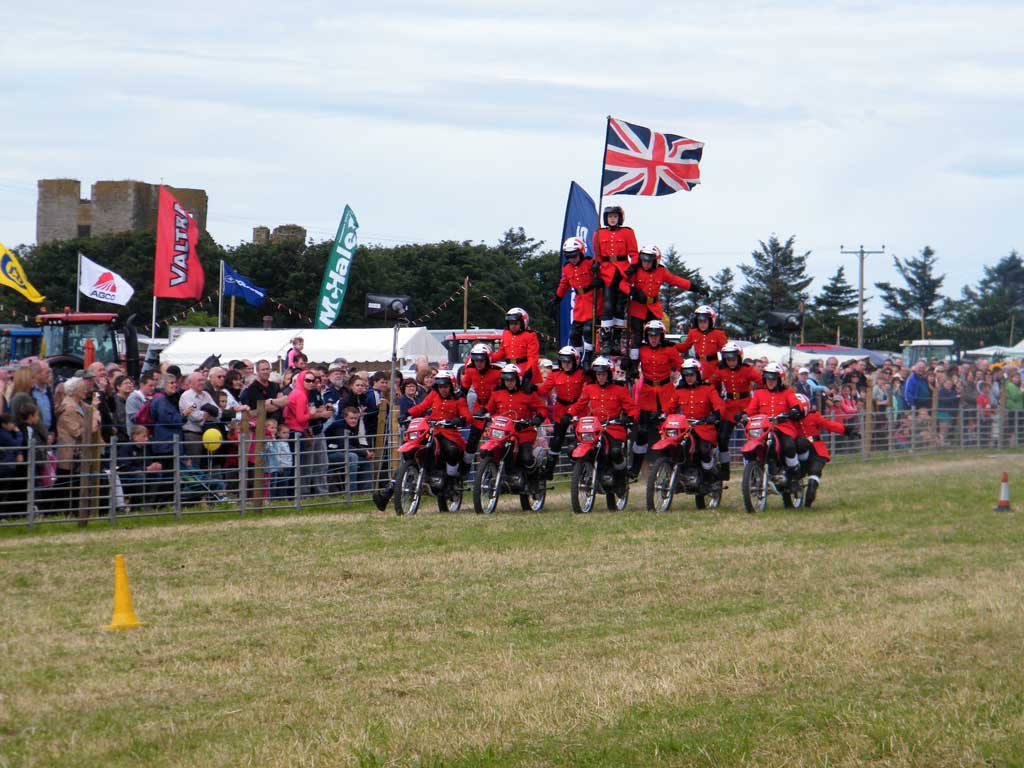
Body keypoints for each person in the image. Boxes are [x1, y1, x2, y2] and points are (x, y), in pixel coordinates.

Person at [623, 244, 703, 371]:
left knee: (657, 336)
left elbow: (676, 280)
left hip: (653, 308)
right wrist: (633, 291)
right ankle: (633, 364)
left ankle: (661, 361)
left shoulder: (661, 271)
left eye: (649, 261)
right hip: (637, 308)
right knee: (637, 337)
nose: (646, 264)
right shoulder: (635, 270)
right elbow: (622, 283)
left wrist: (695, 288)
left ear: (655, 261)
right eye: (643, 260)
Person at [567, 356, 638, 488]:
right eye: (598, 374)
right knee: (572, 448)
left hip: (613, 428)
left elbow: (632, 407)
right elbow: (580, 404)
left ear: (609, 374)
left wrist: (630, 417)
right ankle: (583, 473)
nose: (600, 377)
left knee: (615, 452)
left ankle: (621, 481)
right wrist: (569, 413)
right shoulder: (589, 388)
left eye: (603, 374)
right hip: (594, 427)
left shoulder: (620, 389)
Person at [740, 362, 803, 494]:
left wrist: (794, 411)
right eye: (768, 378)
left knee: (789, 446)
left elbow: (796, 405)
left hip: (782, 427)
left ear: (779, 379)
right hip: (763, 428)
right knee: (750, 447)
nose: (770, 381)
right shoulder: (758, 393)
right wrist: (743, 415)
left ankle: (794, 477)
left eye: (773, 378)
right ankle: (753, 474)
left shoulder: (787, 392)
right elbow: (751, 409)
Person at [632, 319, 682, 479]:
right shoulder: (641, 349)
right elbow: (632, 362)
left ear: (662, 336)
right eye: (651, 335)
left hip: (666, 393)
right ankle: (635, 468)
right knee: (641, 432)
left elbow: (682, 366)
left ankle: (673, 466)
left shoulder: (669, 349)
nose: (653, 338)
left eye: (657, 335)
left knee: (671, 431)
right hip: (647, 394)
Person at [406, 370, 472, 489]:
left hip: (449, 433)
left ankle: (450, 482)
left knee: (452, 451)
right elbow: (422, 407)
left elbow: (467, 417)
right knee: (419, 446)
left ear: (451, 386)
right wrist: (407, 413)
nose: (443, 390)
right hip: (432, 430)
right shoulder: (433, 394)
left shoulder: (459, 399)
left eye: (446, 386)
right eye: (440, 387)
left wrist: (458, 421)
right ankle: (422, 473)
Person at [706, 341, 762, 480]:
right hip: (729, 405)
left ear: (739, 358)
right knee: (722, 438)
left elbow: (763, 381)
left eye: (733, 359)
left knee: (753, 436)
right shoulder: (721, 370)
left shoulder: (747, 369)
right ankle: (725, 468)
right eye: (728, 359)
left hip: (746, 405)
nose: (731, 362)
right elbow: (710, 384)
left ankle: (754, 467)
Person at [481, 364, 548, 474]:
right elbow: (490, 408)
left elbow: (542, 409)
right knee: (487, 452)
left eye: (512, 380)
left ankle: (534, 478)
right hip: (502, 432)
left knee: (526, 457)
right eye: (506, 380)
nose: (509, 382)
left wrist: (536, 420)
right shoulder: (497, 393)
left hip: (523, 432)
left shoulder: (527, 394)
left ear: (517, 379)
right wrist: (482, 412)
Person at [793, 393, 857, 506]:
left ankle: (811, 489)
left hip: (815, 449)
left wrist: (847, 430)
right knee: (802, 469)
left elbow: (829, 425)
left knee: (815, 470)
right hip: (797, 449)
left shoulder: (813, 416)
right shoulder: (789, 419)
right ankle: (801, 485)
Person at [668, 359, 724, 483]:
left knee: (704, 450)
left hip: (704, 427)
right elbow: (670, 408)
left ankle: (709, 477)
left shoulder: (708, 389)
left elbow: (719, 405)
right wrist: (662, 414)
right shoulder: (679, 391)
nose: (689, 378)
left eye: (691, 374)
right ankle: (678, 473)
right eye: (686, 375)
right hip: (685, 428)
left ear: (698, 374)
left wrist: (715, 415)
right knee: (675, 447)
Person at [592, 205, 638, 355]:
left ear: (619, 218)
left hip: (622, 271)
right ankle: (606, 340)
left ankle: (617, 340)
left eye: (615, 216)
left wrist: (633, 266)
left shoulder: (627, 232)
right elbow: (597, 256)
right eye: (610, 216)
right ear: (606, 219)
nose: (612, 219)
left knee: (620, 308)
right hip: (606, 273)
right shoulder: (599, 233)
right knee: (607, 306)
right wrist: (596, 266)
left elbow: (634, 253)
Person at [54, 377, 102, 518]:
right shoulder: (69, 409)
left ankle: (79, 513)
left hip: (83, 453)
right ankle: (64, 513)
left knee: (79, 485)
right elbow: (80, 432)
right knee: (68, 486)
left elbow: (94, 413)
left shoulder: (82, 405)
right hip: (71, 454)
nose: (86, 390)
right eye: (83, 388)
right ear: (74, 391)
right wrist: (94, 421)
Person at [537, 346, 586, 479]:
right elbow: (544, 390)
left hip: (578, 408)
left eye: (569, 362)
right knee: (556, 441)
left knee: (580, 439)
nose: (566, 364)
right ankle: (549, 469)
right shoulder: (555, 374)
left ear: (575, 361)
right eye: (563, 362)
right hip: (561, 408)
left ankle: (581, 467)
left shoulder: (581, 373)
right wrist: (532, 388)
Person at [551, 236, 602, 364]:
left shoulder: (590, 263)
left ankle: (589, 355)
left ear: (581, 253)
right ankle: (578, 357)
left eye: (574, 256)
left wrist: (598, 276)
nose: (572, 259)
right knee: (574, 334)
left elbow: (603, 274)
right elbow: (564, 284)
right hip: (580, 304)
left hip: (593, 301)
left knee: (588, 330)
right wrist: (557, 298)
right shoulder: (567, 268)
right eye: (569, 257)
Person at [459, 343, 503, 477]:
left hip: (496, 408)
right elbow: (464, 389)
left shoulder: (497, 372)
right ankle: (465, 468)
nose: (478, 363)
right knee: (473, 439)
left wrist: (487, 410)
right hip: (479, 405)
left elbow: (499, 394)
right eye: (476, 360)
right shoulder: (470, 370)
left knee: (498, 437)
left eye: (481, 360)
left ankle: (498, 466)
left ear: (488, 359)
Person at [285, 370, 329, 497]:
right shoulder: (300, 394)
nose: (311, 383)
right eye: (308, 380)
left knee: (313, 465)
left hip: (304, 431)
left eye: (313, 380)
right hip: (299, 432)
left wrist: (316, 412)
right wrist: (313, 413)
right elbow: (300, 418)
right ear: (300, 380)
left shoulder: (303, 393)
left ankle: (306, 494)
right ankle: (302, 495)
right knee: (305, 466)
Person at [489, 307, 542, 392]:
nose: (513, 326)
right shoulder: (506, 334)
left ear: (523, 323)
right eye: (510, 324)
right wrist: (489, 358)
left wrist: (527, 374)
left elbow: (532, 357)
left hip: (525, 369)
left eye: (515, 323)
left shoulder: (530, 335)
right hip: (509, 368)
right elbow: (502, 352)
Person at [676, 305, 729, 382]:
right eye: (700, 321)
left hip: (713, 369)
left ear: (711, 321)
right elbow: (684, 347)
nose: (702, 324)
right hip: (696, 369)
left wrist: (721, 367)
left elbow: (726, 352)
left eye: (705, 321)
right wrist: (670, 344)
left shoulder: (719, 334)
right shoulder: (693, 332)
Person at [179, 372, 217, 458]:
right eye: (199, 380)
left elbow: (218, 412)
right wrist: (208, 413)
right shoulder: (186, 396)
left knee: (204, 462)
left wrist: (206, 413)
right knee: (194, 462)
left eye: (203, 380)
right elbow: (194, 416)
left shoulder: (206, 395)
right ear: (190, 383)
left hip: (206, 434)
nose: (202, 382)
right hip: (191, 434)